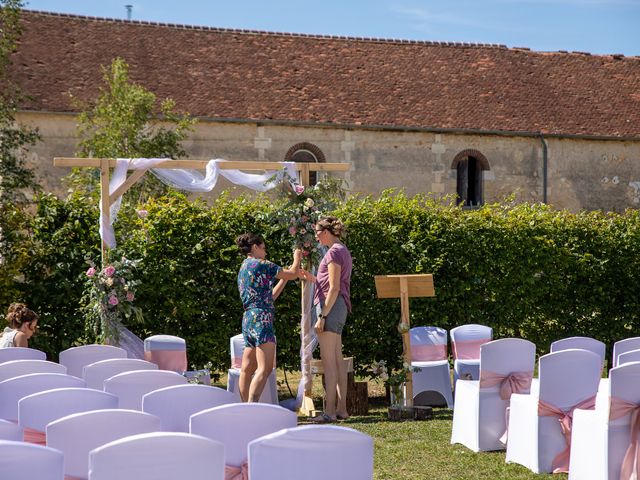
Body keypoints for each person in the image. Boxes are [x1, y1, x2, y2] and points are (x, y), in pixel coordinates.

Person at [236, 233, 301, 402]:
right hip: (262, 319)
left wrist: (284, 280)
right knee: (265, 369)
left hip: (248, 318)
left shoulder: (244, 267)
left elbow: (269, 297)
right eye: (263, 248)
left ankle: (244, 406)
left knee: (246, 369)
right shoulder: (262, 264)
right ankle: (252, 407)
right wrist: (297, 255)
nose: (265, 252)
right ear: (255, 247)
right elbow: (293, 273)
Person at [301, 216, 352, 422]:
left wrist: (322, 315)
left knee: (329, 363)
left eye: (317, 232)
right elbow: (331, 283)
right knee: (338, 361)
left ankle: (330, 411)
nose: (316, 236)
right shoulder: (342, 250)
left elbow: (334, 287)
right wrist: (313, 278)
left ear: (327, 232)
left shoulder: (333, 252)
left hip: (330, 307)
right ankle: (341, 409)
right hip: (339, 307)